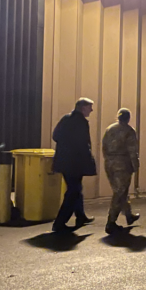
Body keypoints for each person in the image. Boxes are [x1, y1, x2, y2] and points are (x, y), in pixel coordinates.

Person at [51, 98, 98, 233]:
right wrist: (89, 161)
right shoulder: (81, 122)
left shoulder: (65, 119)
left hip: (64, 161)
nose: (91, 110)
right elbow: (84, 144)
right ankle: (60, 222)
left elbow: (55, 136)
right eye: (90, 107)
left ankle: (80, 216)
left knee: (76, 187)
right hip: (76, 162)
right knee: (73, 191)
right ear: (83, 108)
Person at [102, 108, 140, 233]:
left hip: (109, 163)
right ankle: (110, 222)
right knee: (119, 192)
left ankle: (129, 215)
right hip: (122, 165)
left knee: (120, 190)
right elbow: (132, 151)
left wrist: (108, 159)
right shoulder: (129, 131)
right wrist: (135, 165)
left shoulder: (110, 129)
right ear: (128, 118)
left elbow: (104, 147)